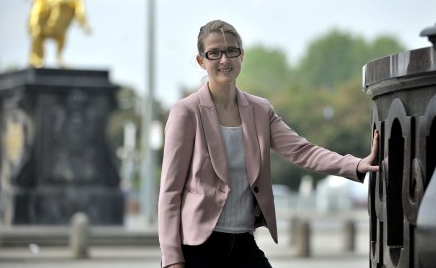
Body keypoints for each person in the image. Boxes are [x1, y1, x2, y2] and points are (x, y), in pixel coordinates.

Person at [158, 19, 380, 268]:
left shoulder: (260, 110)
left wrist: (356, 165)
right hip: (199, 246)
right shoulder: (186, 112)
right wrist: (172, 260)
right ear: (201, 61)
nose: (224, 59)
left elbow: (302, 151)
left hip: (242, 241)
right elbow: (170, 191)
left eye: (231, 50)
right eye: (214, 53)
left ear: (241, 55)